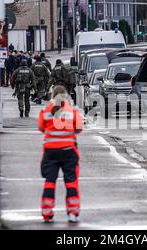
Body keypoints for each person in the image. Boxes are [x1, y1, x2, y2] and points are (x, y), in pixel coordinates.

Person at [38, 85, 83, 223]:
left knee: (50, 182)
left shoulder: (45, 111)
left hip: (50, 152)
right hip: (69, 151)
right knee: (71, 182)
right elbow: (79, 129)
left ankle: (47, 212)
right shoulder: (72, 112)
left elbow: (41, 127)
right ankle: (73, 213)